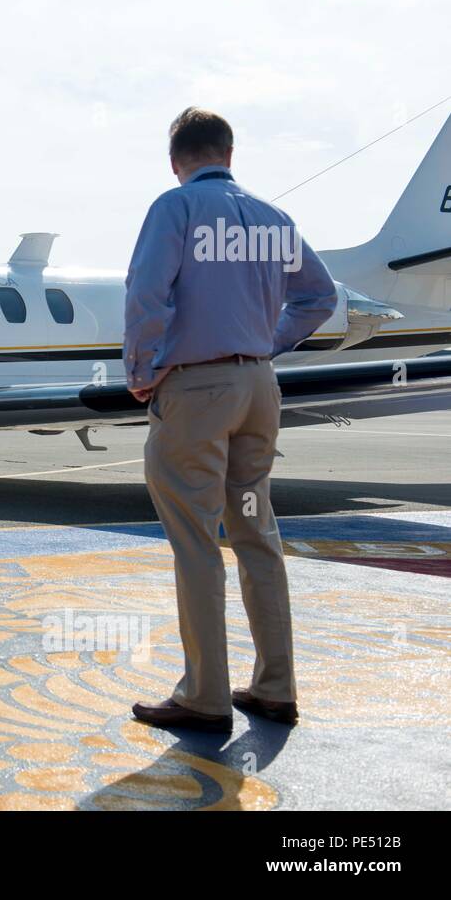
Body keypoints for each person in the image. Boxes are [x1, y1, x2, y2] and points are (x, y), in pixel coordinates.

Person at [123, 107, 338, 733]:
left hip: (197, 392)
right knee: (255, 533)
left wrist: (141, 371)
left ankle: (204, 695)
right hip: (258, 392)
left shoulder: (176, 208)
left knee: (195, 540)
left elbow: (146, 293)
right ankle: (275, 686)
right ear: (230, 154)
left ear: (176, 160)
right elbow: (320, 296)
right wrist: (264, 344)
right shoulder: (274, 218)